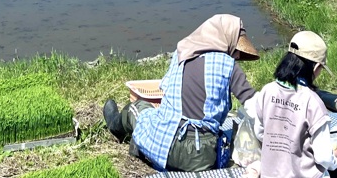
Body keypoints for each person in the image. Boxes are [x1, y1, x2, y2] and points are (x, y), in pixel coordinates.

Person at [102, 13, 259, 171]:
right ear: (227, 39)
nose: (237, 55)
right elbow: (254, 106)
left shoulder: (182, 54)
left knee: (136, 107)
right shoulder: (228, 65)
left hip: (167, 148)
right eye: (236, 49)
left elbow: (166, 90)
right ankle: (138, 144)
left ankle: (116, 126)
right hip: (203, 159)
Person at [245, 30, 337, 178]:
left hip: (271, 172)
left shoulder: (267, 90)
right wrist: (334, 159)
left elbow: (260, 133)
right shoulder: (313, 102)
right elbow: (323, 157)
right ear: (316, 67)